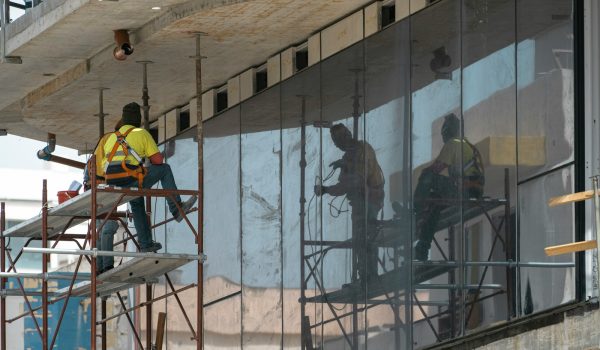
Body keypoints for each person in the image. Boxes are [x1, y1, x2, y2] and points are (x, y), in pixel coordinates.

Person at [102, 102, 197, 253]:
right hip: (130, 179)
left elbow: (104, 166)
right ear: (137, 120)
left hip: (113, 182)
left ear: (124, 120)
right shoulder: (141, 133)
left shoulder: (112, 138)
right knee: (165, 169)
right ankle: (177, 209)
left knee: (136, 201)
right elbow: (158, 161)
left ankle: (146, 244)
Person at [314, 123, 385, 282]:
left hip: (370, 199)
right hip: (360, 202)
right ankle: (364, 274)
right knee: (360, 238)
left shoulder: (362, 149)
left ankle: (369, 275)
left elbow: (357, 179)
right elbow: (344, 184)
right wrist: (327, 188)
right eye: (334, 141)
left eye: (337, 140)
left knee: (366, 237)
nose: (336, 144)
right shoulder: (348, 156)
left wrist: (327, 188)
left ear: (345, 137)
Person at [413, 113, 485, 261]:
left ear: (447, 132)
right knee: (435, 202)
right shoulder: (466, 143)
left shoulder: (453, 143)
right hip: (472, 190)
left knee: (427, 175)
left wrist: (421, 193)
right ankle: (423, 247)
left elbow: (435, 169)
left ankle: (416, 210)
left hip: (466, 190)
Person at [83, 121, 122, 274]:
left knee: (100, 229)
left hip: (96, 191)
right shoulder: (116, 140)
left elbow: (88, 171)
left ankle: (99, 266)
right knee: (109, 227)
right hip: (107, 190)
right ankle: (106, 265)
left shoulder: (103, 141)